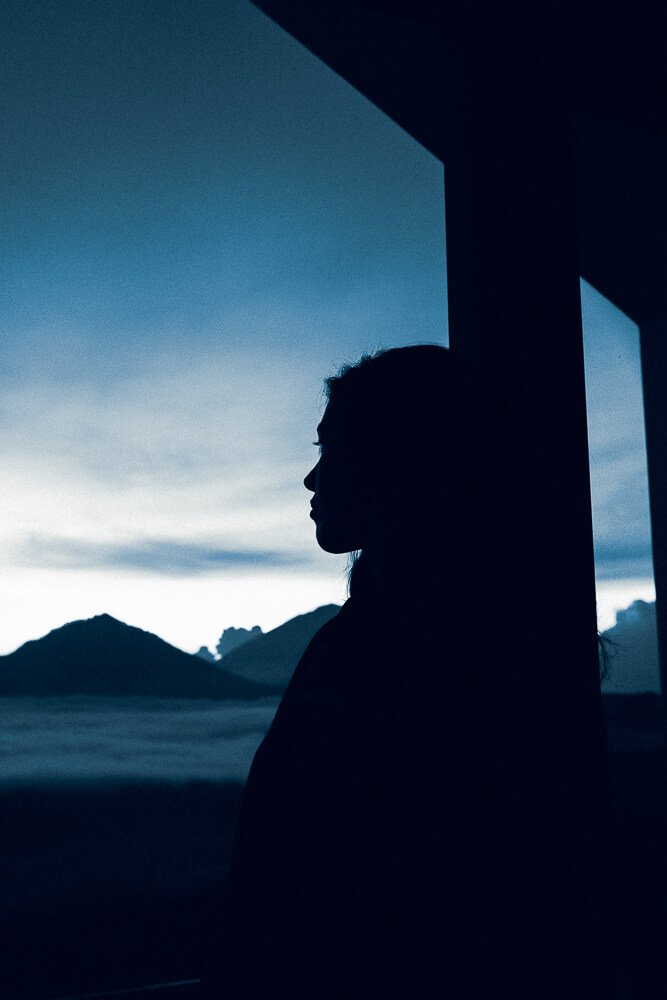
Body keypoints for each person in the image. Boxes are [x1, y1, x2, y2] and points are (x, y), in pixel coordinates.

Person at [216, 344, 609, 998]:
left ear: (402, 461)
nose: (313, 480)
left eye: (331, 450)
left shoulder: (406, 651)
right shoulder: (479, 638)